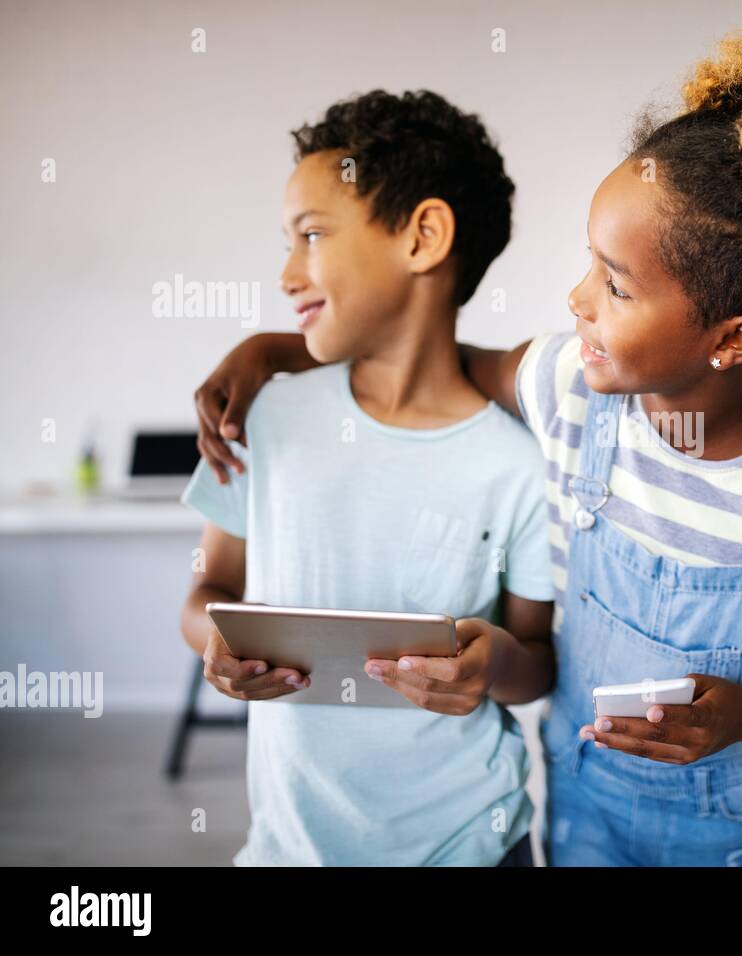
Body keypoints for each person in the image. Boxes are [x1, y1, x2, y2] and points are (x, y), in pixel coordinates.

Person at [194, 34, 742, 866]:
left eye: (616, 285)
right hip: (579, 810)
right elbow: (428, 355)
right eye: (589, 267)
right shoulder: (565, 386)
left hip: (729, 831)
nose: (577, 300)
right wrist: (275, 351)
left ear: (733, 336)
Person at [178, 90, 556, 865]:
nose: (287, 273)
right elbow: (206, 589)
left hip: (472, 844)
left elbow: (534, 664)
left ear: (424, 236)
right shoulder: (265, 418)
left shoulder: (520, 464)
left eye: (311, 235)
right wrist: (213, 644)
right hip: (289, 848)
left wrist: (495, 667)